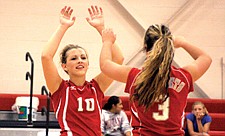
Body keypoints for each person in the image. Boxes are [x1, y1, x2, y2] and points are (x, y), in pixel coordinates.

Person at [99, 24, 212, 135]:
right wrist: (183, 43)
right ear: (170, 49)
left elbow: (105, 64)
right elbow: (206, 58)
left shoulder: (136, 77)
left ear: (145, 49)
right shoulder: (183, 77)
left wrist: (107, 42)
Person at [41, 5, 124, 136]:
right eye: (74, 58)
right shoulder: (60, 88)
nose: (80, 60)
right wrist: (63, 27)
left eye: (83, 57)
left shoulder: (96, 87)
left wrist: (101, 28)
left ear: (88, 63)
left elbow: (118, 59)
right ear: (64, 66)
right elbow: (46, 56)